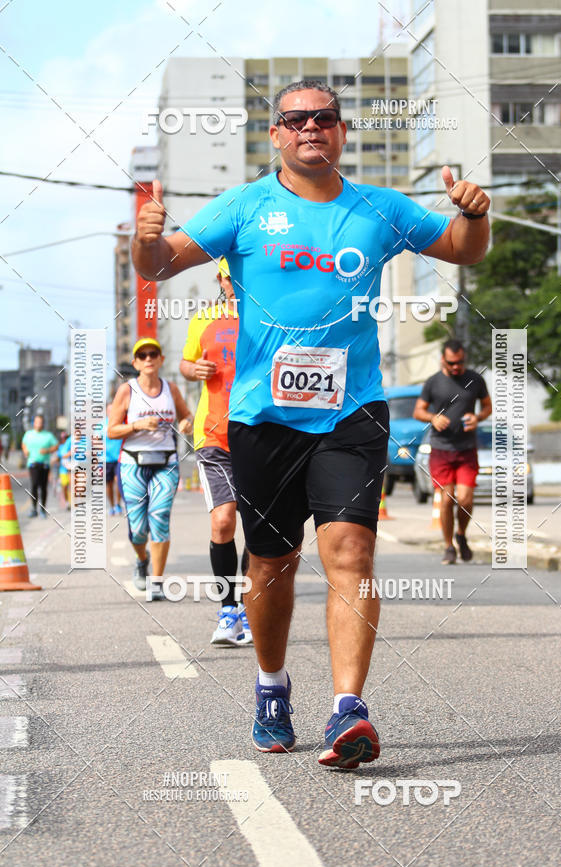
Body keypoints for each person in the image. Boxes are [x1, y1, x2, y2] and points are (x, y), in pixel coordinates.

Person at [132, 80, 490, 767]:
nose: (310, 129)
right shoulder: (244, 206)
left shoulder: (377, 210)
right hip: (263, 418)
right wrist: (147, 243)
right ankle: (271, 689)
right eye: (295, 120)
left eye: (323, 118)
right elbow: (162, 262)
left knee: (351, 554)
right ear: (277, 136)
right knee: (272, 563)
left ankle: (347, 710)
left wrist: (473, 214)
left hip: (351, 413)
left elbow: (462, 249)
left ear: (342, 131)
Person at [179, 256, 252, 646]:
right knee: (224, 521)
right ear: (222, 279)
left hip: (261, 434)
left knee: (259, 532)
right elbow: (186, 363)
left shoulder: (270, 315)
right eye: (229, 275)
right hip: (214, 435)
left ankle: (250, 610)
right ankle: (228, 611)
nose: (234, 281)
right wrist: (196, 371)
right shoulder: (203, 318)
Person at [107, 338, 193, 601]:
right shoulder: (127, 391)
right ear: (135, 362)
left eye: (153, 353)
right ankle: (141, 559)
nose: (148, 358)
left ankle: (156, 581)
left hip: (165, 463)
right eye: (142, 355)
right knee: (138, 527)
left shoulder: (171, 388)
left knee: (160, 517)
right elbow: (111, 430)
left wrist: (187, 423)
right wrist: (138, 425)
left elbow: (185, 415)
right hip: (132, 463)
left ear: (161, 359)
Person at [414, 339, 492, 564]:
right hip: (441, 449)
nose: (456, 367)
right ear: (443, 359)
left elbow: (488, 407)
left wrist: (478, 417)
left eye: (460, 362)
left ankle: (461, 535)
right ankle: (449, 546)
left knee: (465, 499)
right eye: (452, 363)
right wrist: (433, 418)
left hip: (467, 449)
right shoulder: (433, 382)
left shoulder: (475, 380)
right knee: (447, 499)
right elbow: (418, 411)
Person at [21, 415, 58, 518]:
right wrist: (25, 450)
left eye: (41, 422)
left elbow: (56, 446)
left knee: (43, 487)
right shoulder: (28, 434)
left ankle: (43, 509)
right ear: (34, 423)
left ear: (43, 423)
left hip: (45, 464)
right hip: (33, 463)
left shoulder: (48, 435)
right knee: (34, 485)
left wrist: (47, 450)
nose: (39, 424)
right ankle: (34, 509)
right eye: (37, 422)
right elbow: (23, 444)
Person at [104, 405, 124, 515]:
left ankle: (118, 504)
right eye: (109, 410)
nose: (111, 412)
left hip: (120, 458)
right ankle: (111, 505)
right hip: (106, 459)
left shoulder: (121, 423)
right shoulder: (101, 425)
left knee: (119, 481)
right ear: (106, 411)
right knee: (109, 484)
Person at [57, 431, 72, 509]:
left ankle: (72, 502)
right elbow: (60, 457)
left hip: (72, 470)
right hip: (63, 470)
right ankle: (67, 502)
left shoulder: (71, 445)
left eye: (66, 438)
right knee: (65, 486)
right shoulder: (60, 447)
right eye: (63, 438)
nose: (65, 439)